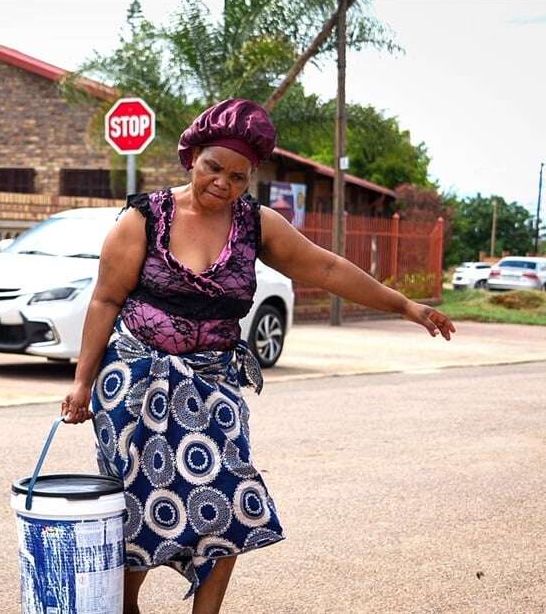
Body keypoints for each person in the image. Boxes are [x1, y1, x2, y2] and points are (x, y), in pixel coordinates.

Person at [61, 99, 455, 614]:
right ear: (192, 157)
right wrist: (82, 382)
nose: (223, 183)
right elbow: (106, 300)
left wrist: (405, 306)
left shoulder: (255, 225)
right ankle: (125, 607)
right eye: (213, 168)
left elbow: (329, 269)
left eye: (239, 177)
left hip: (213, 387)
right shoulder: (143, 220)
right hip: (136, 386)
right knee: (134, 517)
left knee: (232, 504)